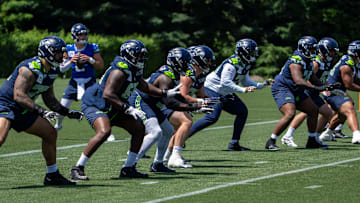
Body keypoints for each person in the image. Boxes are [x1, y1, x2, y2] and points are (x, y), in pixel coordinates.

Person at [69, 39, 181, 180]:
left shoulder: (133, 68)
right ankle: (77, 168)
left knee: (139, 128)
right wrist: (128, 109)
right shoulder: (119, 71)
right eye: (138, 55)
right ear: (129, 55)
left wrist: (163, 93)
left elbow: (144, 86)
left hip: (114, 105)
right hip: (97, 104)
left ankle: (128, 168)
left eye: (142, 55)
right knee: (104, 131)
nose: (141, 58)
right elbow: (108, 94)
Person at [0, 36, 83, 185]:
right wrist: (42, 112)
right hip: (6, 105)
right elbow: (18, 95)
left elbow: (49, 98)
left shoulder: (51, 70)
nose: (63, 56)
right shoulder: (30, 68)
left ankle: (52, 175)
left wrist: (67, 112)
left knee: (50, 133)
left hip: (23, 108)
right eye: (59, 52)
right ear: (48, 52)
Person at [128, 47, 207, 172]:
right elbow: (169, 102)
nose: (188, 66)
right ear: (178, 62)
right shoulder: (166, 77)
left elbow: (176, 96)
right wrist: (192, 106)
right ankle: (129, 165)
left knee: (168, 130)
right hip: (142, 100)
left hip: (153, 103)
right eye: (186, 62)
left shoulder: (174, 73)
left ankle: (158, 164)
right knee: (155, 132)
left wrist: (192, 106)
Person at [189, 38, 268, 151]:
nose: (253, 54)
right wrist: (242, 90)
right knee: (211, 117)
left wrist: (262, 85)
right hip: (212, 89)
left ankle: (234, 143)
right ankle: (181, 137)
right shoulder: (231, 64)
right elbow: (225, 82)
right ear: (244, 52)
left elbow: (245, 81)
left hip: (224, 91)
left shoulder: (245, 63)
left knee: (242, 111)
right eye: (251, 52)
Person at [265, 36, 335, 150]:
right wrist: (316, 88)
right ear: (304, 48)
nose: (314, 52)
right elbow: (299, 80)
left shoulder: (308, 61)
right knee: (290, 113)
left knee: (313, 110)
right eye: (312, 49)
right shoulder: (296, 60)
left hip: (295, 89)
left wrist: (325, 86)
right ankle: (271, 141)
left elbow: (312, 78)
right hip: (283, 87)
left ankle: (312, 140)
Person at [53, 24, 110, 140]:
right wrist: (71, 61)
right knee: (62, 107)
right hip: (74, 83)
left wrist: (90, 59)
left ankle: (106, 130)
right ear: (74, 36)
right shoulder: (68, 49)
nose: (83, 36)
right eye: (80, 34)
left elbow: (100, 66)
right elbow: (62, 68)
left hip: (90, 82)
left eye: (84, 34)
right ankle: (58, 125)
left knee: (98, 107)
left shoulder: (92, 47)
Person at [164, 45, 217, 168]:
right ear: (200, 60)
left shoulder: (201, 74)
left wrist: (217, 100)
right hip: (168, 101)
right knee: (186, 122)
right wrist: (199, 103)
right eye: (208, 60)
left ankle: (166, 158)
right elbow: (183, 95)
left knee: (179, 128)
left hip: (176, 102)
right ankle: (173, 157)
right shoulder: (188, 73)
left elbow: (202, 94)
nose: (210, 63)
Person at [319, 40, 360, 144]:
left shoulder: (352, 61)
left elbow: (355, 79)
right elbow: (349, 85)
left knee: (344, 111)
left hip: (338, 89)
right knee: (349, 108)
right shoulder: (347, 65)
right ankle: (356, 135)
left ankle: (327, 133)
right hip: (332, 90)